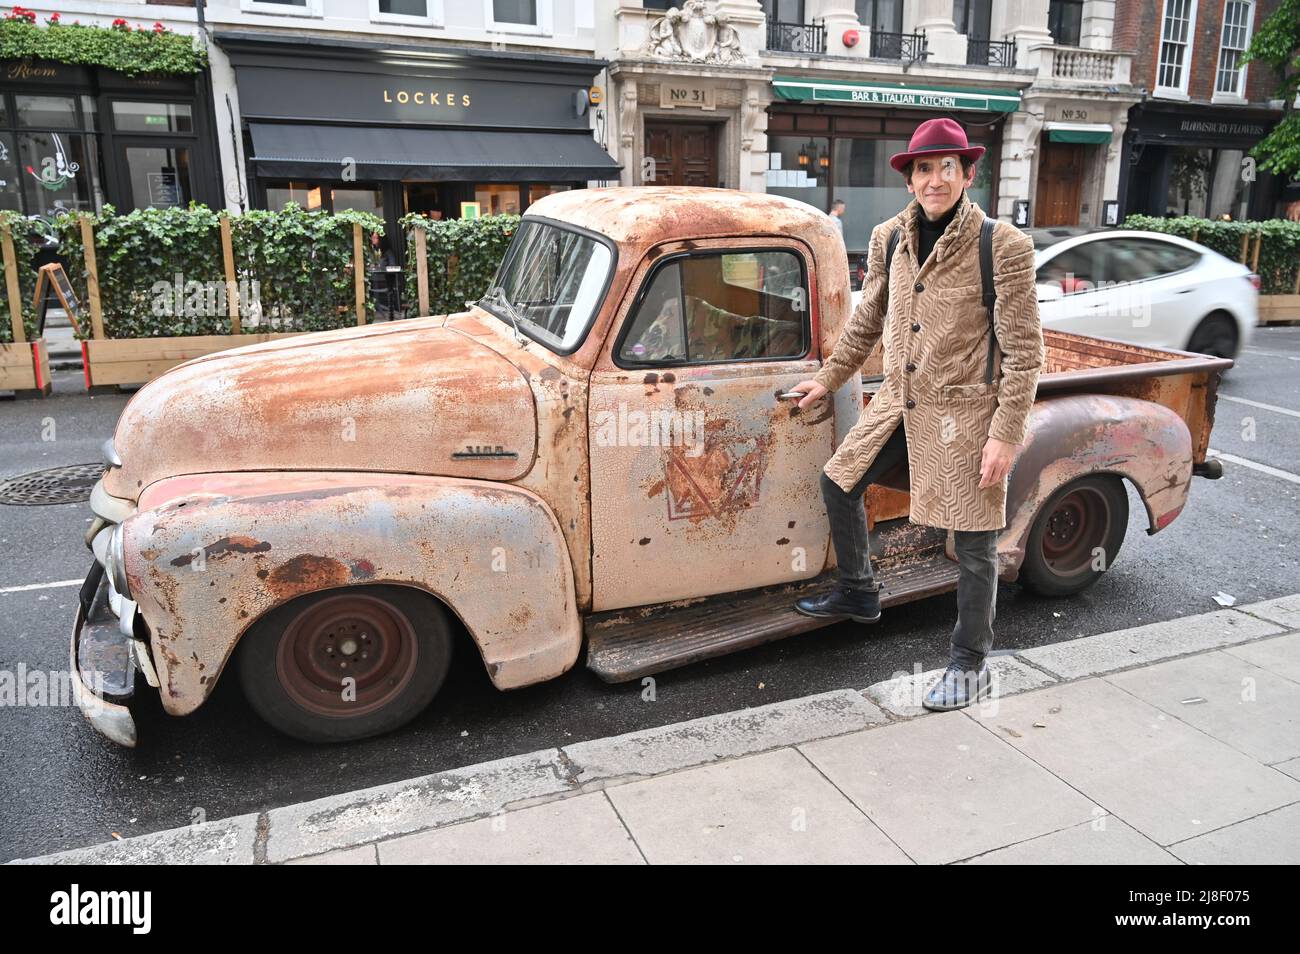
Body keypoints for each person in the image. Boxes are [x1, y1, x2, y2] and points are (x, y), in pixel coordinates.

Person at [785, 117, 1045, 711]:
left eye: (946, 167)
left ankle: (970, 663)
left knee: (974, 545)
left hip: (967, 415)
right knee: (839, 479)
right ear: (909, 179)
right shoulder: (889, 239)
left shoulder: (1001, 245)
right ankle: (858, 591)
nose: (934, 179)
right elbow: (866, 321)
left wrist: (1006, 434)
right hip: (901, 407)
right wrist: (827, 381)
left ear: (968, 174)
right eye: (923, 169)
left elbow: (1026, 351)